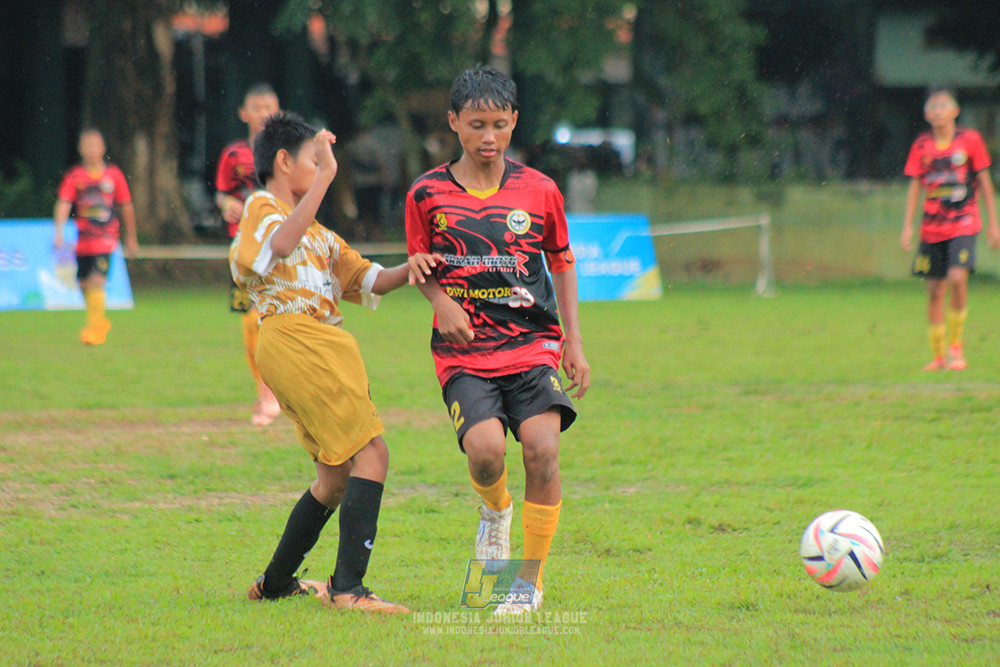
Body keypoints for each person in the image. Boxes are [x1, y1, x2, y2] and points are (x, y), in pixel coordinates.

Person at [404, 65, 591, 615]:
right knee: (485, 455)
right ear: (454, 124)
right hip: (464, 353)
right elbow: (421, 267)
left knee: (543, 451)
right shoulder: (426, 194)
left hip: (533, 345)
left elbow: (561, 261)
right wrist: (441, 303)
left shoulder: (539, 190)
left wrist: (574, 343)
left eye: (501, 126)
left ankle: (527, 582)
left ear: (514, 124)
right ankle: (495, 512)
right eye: (478, 124)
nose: (490, 138)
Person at [232, 111, 431, 614]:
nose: (322, 166)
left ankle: (275, 582)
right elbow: (278, 244)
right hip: (298, 341)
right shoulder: (262, 207)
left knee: (335, 477)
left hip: (315, 347)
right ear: (283, 161)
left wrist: (417, 266)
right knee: (374, 455)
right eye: (311, 159)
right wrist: (325, 178)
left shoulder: (318, 233)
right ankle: (348, 589)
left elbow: (370, 279)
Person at [900, 88, 1000, 371]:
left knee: (957, 278)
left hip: (963, 222)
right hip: (932, 227)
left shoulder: (970, 140)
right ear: (926, 114)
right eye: (933, 106)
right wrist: (907, 226)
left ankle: (956, 347)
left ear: (955, 111)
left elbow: (985, 182)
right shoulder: (921, 145)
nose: (938, 110)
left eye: (943, 105)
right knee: (934, 290)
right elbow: (915, 185)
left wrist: (994, 223)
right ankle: (938, 357)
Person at [215, 83, 283, 425]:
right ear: (244, 113)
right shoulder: (232, 156)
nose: (263, 113)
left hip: (278, 250)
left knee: (281, 320)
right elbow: (222, 194)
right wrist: (226, 203)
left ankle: (287, 390)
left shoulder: (286, 154)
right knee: (250, 321)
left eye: (269, 106)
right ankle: (264, 393)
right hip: (242, 251)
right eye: (257, 107)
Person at [53, 128, 138, 346]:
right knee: (82, 284)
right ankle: (100, 321)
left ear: (103, 149)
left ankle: (94, 331)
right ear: (81, 149)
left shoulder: (114, 175)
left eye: (95, 145)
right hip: (83, 241)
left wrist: (131, 238)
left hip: (106, 239)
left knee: (96, 281)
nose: (91, 150)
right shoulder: (75, 176)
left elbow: (126, 205)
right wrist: (59, 231)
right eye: (87, 146)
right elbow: (64, 202)